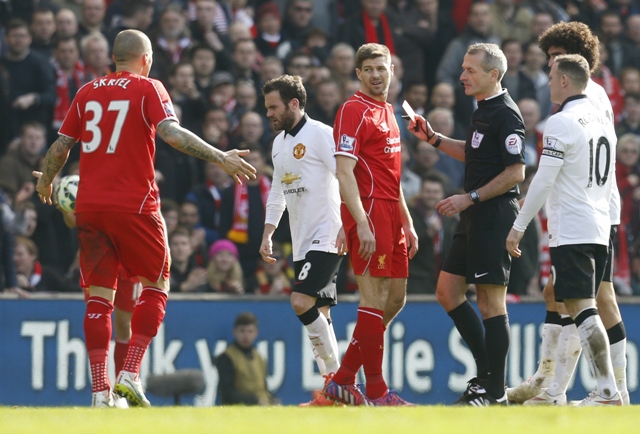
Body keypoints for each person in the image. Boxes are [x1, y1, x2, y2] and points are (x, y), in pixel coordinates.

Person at [32, 29, 256, 408]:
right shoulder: (149, 88)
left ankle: (100, 393)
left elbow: (61, 146)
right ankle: (131, 373)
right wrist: (220, 156)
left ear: (113, 58)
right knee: (157, 283)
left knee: (99, 298)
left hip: (89, 206)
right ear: (146, 58)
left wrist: (48, 181)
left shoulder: (87, 92)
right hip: (134, 205)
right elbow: (170, 132)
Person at [507, 21, 630, 406]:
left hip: (589, 212)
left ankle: (610, 390)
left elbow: (548, 176)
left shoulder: (580, 104)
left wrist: (519, 225)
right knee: (558, 293)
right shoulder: (595, 103)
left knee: (593, 300)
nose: (549, 66)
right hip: (595, 208)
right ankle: (552, 387)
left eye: (555, 58)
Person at [408, 42, 526, 405]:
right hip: (473, 212)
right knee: (447, 291)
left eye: (469, 70)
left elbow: (516, 172)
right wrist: (433, 138)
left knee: (491, 303)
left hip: (493, 214)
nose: (461, 76)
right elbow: (474, 151)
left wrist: (469, 198)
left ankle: (495, 392)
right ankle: (485, 377)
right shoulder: (483, 109)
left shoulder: (506, 114)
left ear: (493, 74)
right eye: (462, 68)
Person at [323, 43, 418, 407]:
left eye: (383, 68)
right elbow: (344, 172)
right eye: (369, 69)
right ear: (359, 74)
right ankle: (377, 391)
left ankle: (344, 377)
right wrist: (360, 222)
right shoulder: (352, 110)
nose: (377, 75)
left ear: (392, 70)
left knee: (395, 299)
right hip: (370, 211)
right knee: (374, 298)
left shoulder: (388, 110)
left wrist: (406, 221)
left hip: (392, 211)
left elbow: (391, 176)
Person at [259, 74, 344, 406]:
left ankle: (339, 385)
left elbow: (346, 177)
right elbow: (278, 190)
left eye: (273, 107)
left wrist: (348, 225)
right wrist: (268, 232)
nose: (268, 113)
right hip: (301, 240)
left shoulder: (321, 135)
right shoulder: (278, 143)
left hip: (328, 233)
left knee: (300, 301)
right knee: (321, 312)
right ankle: (334, 392)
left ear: (294, 104)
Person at [214, 312, 278, 406]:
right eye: (242, 331)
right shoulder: (227, 357)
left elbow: (263, 388)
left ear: (256, 333)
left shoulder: (259, 358)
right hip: (240, 409)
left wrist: (272, 399)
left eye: (249, 331)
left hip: (262, 406)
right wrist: (253, 401)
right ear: (235, 332)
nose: (246, 335)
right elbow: (227, 393)